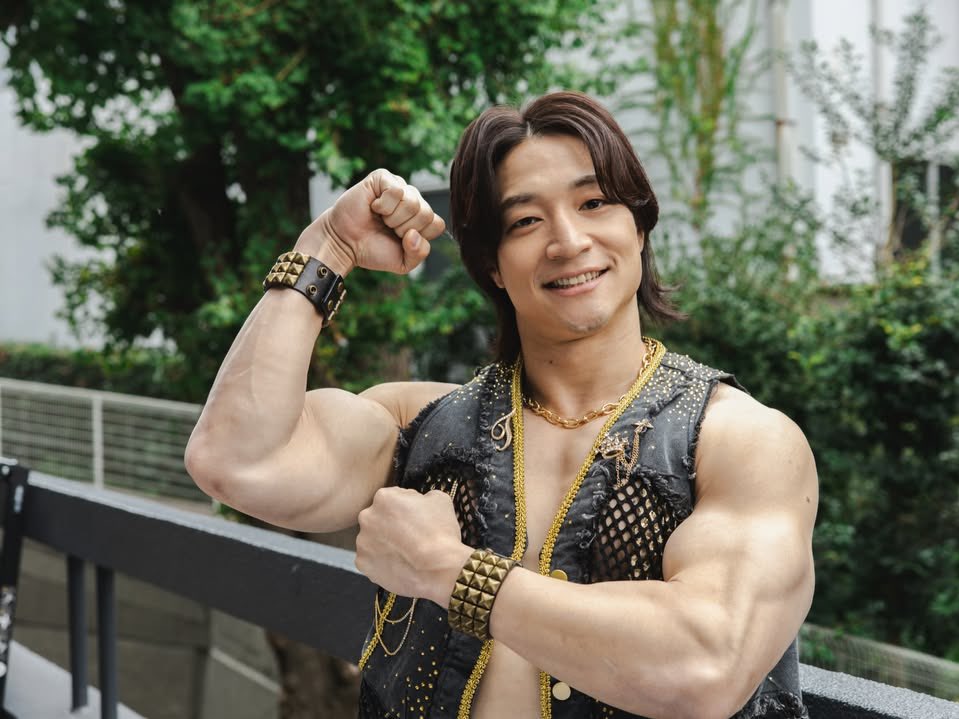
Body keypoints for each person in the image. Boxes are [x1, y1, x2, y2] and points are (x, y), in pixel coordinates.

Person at [185, 91, 817, 719]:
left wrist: (448, 571)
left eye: (594, 203)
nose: (568, 240)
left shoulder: (738, 440)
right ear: (491, 263)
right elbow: (236, 461)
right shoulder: (420, 425)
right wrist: (328, 245)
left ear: (639, 224)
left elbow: (707, 665)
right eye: (525, 221)